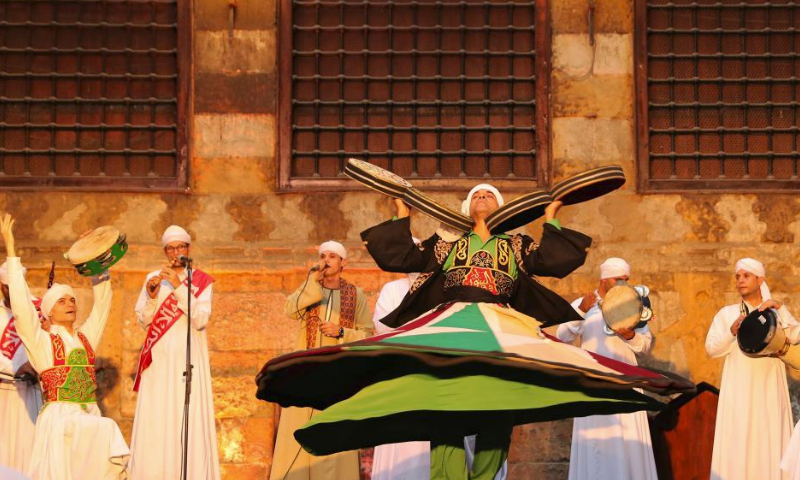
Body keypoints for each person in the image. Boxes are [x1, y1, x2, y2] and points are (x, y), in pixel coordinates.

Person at [0, 213, 129, 480]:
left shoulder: (85, 338)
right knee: (106, 429)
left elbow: (103, 302)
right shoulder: (43, 343)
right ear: (48, 312)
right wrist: (11, 249)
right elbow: (23, 308)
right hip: (61, 421)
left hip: (87, 414)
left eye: (72, 299)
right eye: (62, 301)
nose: (70, 303)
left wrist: (95, 260)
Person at [270, 240, 373, 480]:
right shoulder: (310, 288)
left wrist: (341, 332)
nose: (326, 260)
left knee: (334, 434)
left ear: (343, 262)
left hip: (339, 377)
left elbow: (368, 336)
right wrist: (310, 283)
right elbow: (289, 310)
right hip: (306, 374)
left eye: (332, 256)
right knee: (299, 431)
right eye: (323, 255)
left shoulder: (355, 294)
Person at [129, 225, 220, 480]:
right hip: (160, 360)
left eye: (182, 247)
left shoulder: (201, 280)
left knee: (186, 415)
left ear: (189, 250)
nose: (176, 252)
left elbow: (200, 319)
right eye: (172, 248)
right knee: (157, 417)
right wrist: (151, 294)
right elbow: (145, 320)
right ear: (165, 251)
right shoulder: (154, 276)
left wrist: (180, 286)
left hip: (188, 358)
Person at [556, 257, 658, 480]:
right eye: (618, 280)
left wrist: (631, 336)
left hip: (625, 383)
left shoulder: (635, 305)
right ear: (604, 279)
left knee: (627, 439)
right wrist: (581, 312)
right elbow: (561, 337)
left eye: (626, 280)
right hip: (594, 385)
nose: (624, 284)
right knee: (596, 443)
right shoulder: (583, 305)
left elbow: (644, 346)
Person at [706, 257, 799, 480]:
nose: (740, 281)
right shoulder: (727, 314)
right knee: (739, 440)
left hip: (769, 387)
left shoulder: (774, 312)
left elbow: (796, 336)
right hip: (739, 388)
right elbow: (711, 349)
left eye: (746, 276)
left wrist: (781, 309)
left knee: (768, 436)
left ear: (760, 280)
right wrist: (731, 331)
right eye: (738, 276)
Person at [0, 261, 42, 472]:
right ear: (1, 286)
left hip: (38, 389)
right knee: (6, 446)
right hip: (6, 392)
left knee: (34, 443)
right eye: (8, 287)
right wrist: (17, 366)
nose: (12, 291)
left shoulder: (41, 308)